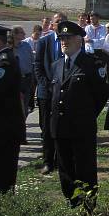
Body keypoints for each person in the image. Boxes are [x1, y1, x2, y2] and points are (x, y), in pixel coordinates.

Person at [49, 21, 109, 206]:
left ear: (79, 40)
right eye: (61, 39)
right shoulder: (56, 65)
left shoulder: (91, 64)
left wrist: (86, 114)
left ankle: (88, 205)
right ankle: (72, 200)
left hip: (81, 126)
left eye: (68, 38)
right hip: (60, 127)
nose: (64, 42)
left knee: (85, 167)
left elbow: (101, 94)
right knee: (65, 167)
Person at [34, 11, 67, 174]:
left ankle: (60, 161)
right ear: (52, 24)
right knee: (47, 128)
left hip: (64, 93)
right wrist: (46, 85)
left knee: (62, 127)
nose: (59, 24)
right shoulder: (44, 42)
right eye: (56, 22)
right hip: (46, 92)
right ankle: (48, 162)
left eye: (62, 21)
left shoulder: (71, 42)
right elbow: (38, 66)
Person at [0, 25, 24, 193]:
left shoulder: (4, 61)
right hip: (2, 125)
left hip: (5, 127)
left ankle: (5, 207)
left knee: (3, 173)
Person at [12, 26, 34, 118]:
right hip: (15, 80)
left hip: (27, 79)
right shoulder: (9, 48)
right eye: (22, 32)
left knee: (25, 103)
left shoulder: (26, 45)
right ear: (15, 34)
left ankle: (23, 123)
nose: (24, 34)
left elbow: (32, 60)